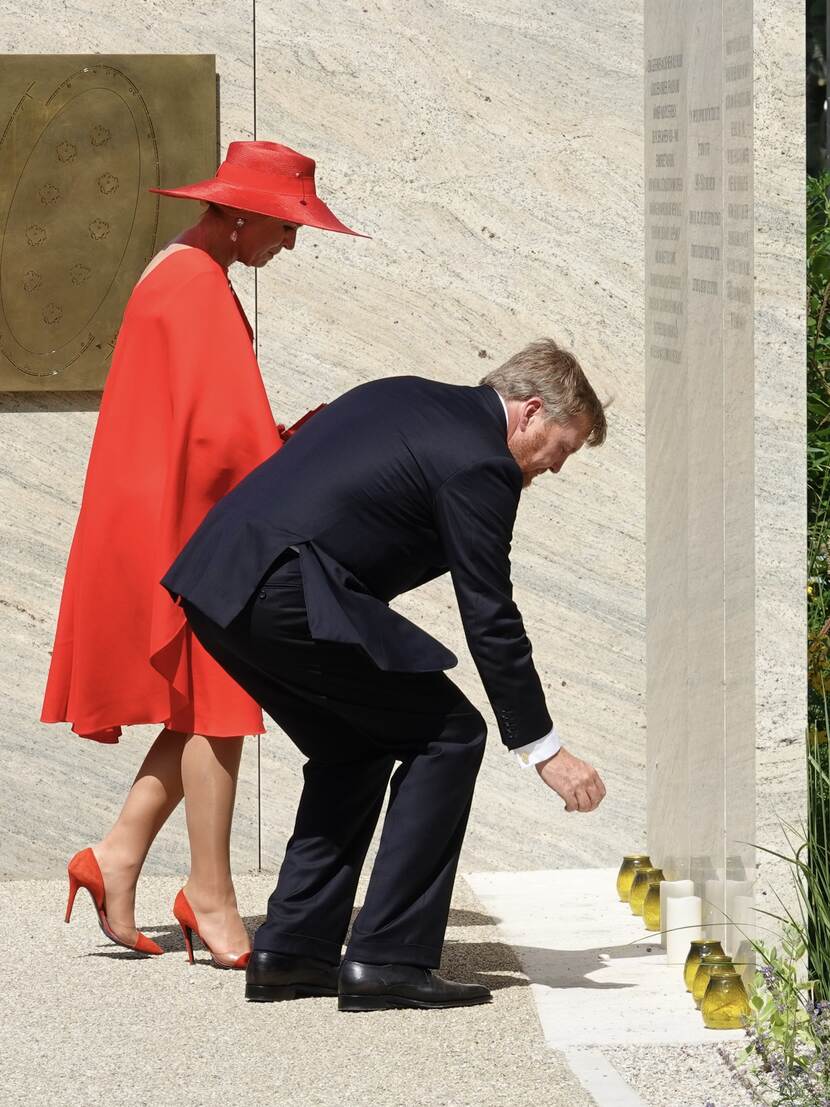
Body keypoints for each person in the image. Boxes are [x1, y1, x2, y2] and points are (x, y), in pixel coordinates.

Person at [162, 338, 608, 1007]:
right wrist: (543, 748)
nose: (555, 468)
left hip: (221, 580)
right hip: (282, 588)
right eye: (562, 448)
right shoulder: (482, 459)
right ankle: (389, 958)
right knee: (449, 733)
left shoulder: (408, 393)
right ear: (530, 412)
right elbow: (489, 611)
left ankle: (294, 950)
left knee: (357, 742)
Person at [43, 140, 366, 968]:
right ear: (246, 213)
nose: (289, 244)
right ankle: (210, 896)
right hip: (182, 526)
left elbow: (212, 429)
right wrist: (306, 452)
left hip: (164, 514)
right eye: (288, 226)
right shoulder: (197, 285)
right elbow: (229, 441)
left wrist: (285, 443)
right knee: (219, 696)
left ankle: (115, 857)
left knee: (201, 700)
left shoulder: (179, 269)